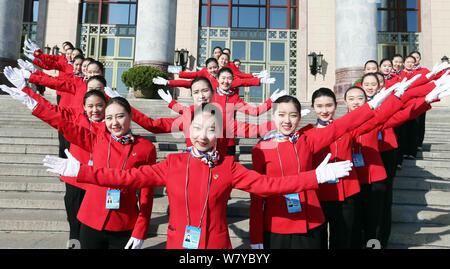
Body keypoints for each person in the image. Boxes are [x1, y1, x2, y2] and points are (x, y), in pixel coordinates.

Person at [42, 102, 355, 249]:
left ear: (219, 132)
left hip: (217, 246)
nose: (202, 134)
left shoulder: (229, 167)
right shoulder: (173, 163)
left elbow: (273, 185)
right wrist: (80, 171)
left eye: (210, 128)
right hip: (180, 245)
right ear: (187, 131)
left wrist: (316, 176)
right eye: (196, 128)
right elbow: (125, 180)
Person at [0, 86, 156, 249]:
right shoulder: (98, 140)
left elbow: (147, 194)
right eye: (109, 118)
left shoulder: (145, 148)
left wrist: (141, 230)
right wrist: (34, 105)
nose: (114, 123)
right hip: (91, 220)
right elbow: (64, 125)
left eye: (120, 116)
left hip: (123, 222)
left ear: (130, 116)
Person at [249, 87, 401, 249]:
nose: (287, 120)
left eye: (293, 115)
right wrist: (255, 236)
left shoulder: (306, 140)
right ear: (273, 116)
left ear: (300, 117)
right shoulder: (261, 149)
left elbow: (342, 125)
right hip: (278, 222)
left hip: (310, 218)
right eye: (281, 115)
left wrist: (372, 105)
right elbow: (257, 196)